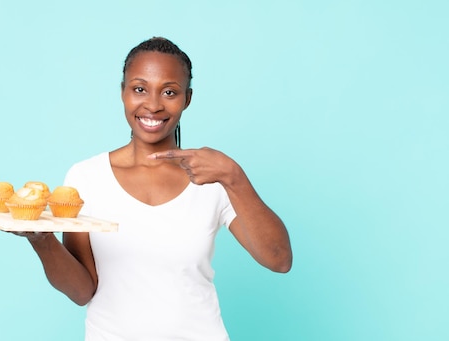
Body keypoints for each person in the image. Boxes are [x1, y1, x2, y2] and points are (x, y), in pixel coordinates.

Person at [19, 37, 293, 340]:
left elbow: (279, 260)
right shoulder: (86, 177)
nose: (152, 104)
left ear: (187, 99)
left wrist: (234, 177)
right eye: (139, 89)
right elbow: (83, 291)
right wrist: (41, 240)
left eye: (169, 92)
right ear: (122, 92)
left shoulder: (211, 177)